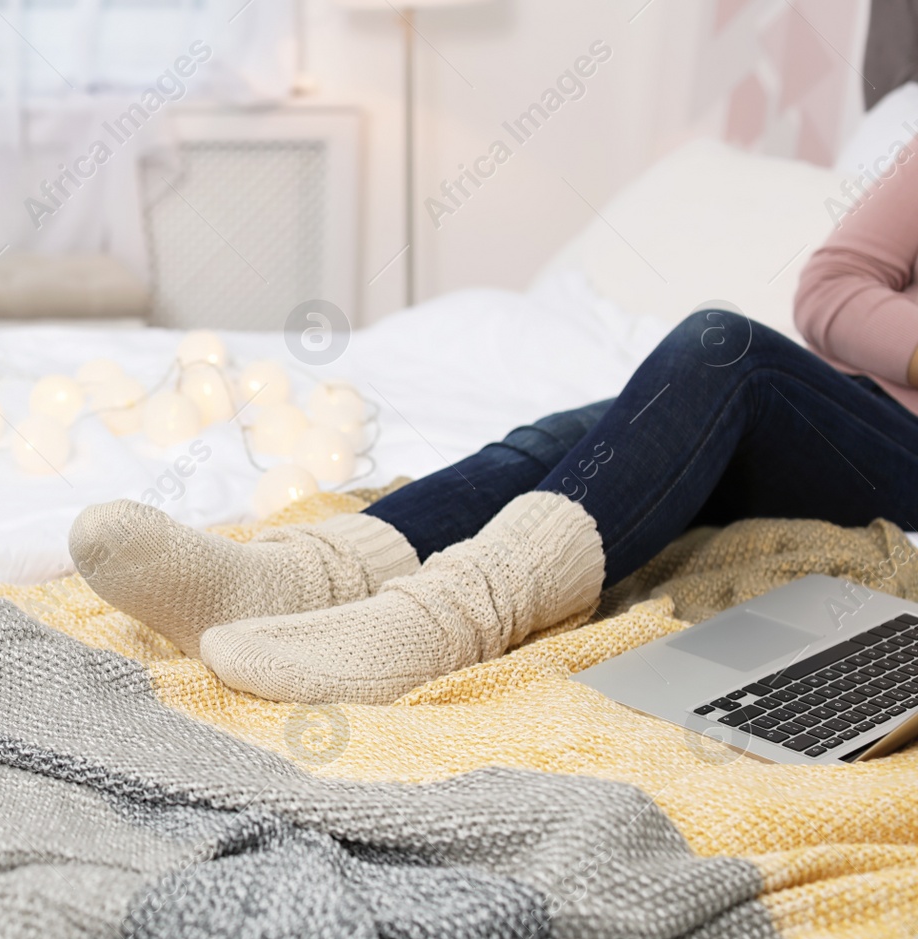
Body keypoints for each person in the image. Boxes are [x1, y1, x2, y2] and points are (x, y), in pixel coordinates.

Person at [69, 153, 918, 706]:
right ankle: (297, 582)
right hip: (853, 404)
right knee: (585, 438)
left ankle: (436, 623)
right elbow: (833, 291)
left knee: (720, 349)